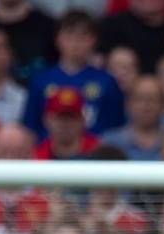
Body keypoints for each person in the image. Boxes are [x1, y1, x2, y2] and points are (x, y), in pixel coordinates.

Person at [22, 10, 125, 140]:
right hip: (49, 155)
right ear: (57, 39)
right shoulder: (41, 80)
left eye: (83, 36)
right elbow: (30, 128)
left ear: (94, 40)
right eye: (69, 35)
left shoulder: (107, 82)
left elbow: (116, 128)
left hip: (95, 156)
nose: (75, 43)